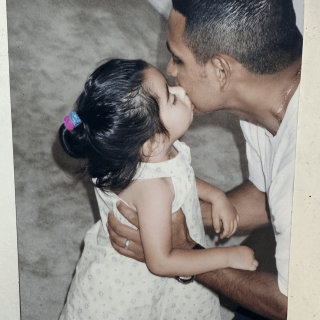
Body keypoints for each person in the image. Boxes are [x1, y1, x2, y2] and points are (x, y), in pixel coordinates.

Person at [107, 1, 303, 320]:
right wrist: (163, 214)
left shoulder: (302, 168)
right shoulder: (266, 92)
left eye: (177, 58)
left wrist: (184, 252)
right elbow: (265, 198)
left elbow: (298, 305)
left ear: (220, 71)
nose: (169, 70)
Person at [58, 59, 258, 320]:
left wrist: (215, 195)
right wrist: (227, 256)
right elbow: (161, 262)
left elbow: (180, 176)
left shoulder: (142, 155)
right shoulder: (154, 189)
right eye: (170, 97)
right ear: (152, 143)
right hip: (133, 289)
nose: (180, 90)